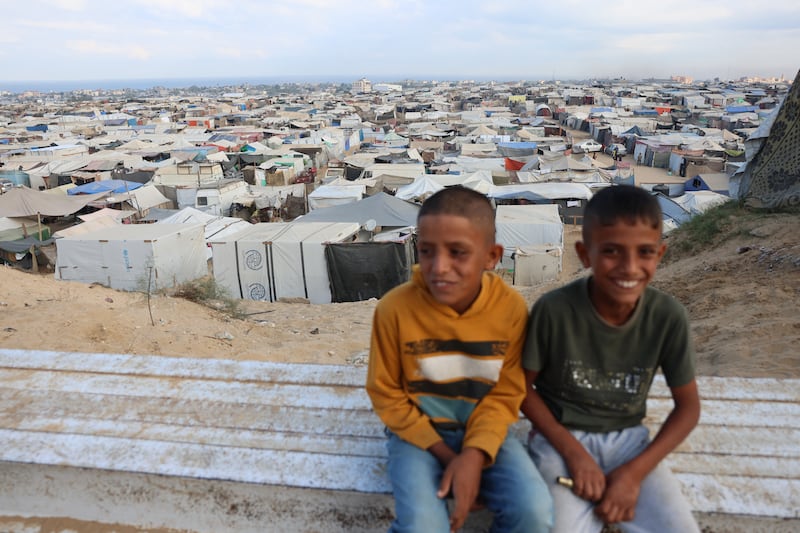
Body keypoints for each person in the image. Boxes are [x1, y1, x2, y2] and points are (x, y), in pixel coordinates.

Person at [366, 186, 553, 533]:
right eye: (426, 251)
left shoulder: (509, 310)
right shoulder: (395, 309)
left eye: (457, 253)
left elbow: (507, 393)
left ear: (492, 256)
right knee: (422, 526)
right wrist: (452, 460)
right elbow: (385, 393)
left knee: (534, 512)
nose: (439, 267)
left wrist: (475, 455)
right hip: (416, 437)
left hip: (485, 432)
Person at [520, 184, 701, 533]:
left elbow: (688, 407)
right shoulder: (554, 310)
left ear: (660, 254)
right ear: (585, 254)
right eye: (612, 252)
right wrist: (574, 454)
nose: (629, 267)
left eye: (644, 252)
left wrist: (634, 473)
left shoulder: (667, 316)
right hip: (559, 440)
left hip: (630, 442)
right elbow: (521, 389)